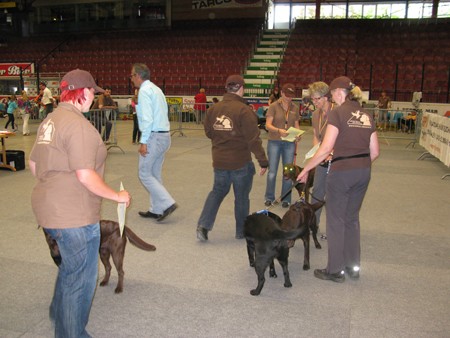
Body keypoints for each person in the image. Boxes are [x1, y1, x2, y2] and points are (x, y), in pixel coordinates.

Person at [29, 69, 131, 337]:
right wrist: (117, 196)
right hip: (74, 217)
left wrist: (56, 184)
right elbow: (86, 175)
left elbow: (33, 164)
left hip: (47, 209)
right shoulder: (80, 126)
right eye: (92, 93)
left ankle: (57, 312)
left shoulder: (50, 121)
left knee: (69, 270)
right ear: (83, 93)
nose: (93, 98)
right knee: (81, 282)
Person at [297, 76, 379, 283]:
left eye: (332, 93)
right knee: (352, 219)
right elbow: (375, 152)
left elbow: (325, 148)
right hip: (363, 171)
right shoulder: (366, 114)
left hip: (342, 172)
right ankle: (353, 267)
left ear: (339, 92)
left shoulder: (337, 113)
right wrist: (358, 164)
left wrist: (306, 168)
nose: (331, 96)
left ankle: (335, 270)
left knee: (335, 221)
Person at [196, 75, 268, 241]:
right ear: (241, 89)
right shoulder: (244, 110)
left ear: (227, 88)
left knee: (217, 192)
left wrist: (223, 138)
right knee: (241, 197)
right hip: (240, 162)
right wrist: (263, 161)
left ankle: (203, 226)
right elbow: (253, 140)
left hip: (219, 161)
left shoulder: (213, 109)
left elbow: (208, 132)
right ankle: (241, 231)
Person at [131, 63, 177, 222]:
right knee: (154, 173)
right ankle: (157, 209)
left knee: (144, 173)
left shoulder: (144, 91)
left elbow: (147, 119)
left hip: (153, 137)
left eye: (132, 76)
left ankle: (167, 203)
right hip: (164, 136)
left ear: (138, 76)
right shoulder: (157, 89)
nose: (132, 79)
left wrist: (143, 141)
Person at [264, 83, 301, 208]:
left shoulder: (295, 108)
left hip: (289, 143)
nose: (289, 98)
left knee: (289, 172)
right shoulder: (273, 106)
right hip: (274, 141)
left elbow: (296, 125)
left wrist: (298, 135)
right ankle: (269, 197)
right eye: (287, 95)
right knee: (272, 172)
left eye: (291, 96)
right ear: (282, 93)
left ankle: (286, 198)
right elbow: (267, 125)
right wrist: (279, 130)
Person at [308, 81, 334, 239]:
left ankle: (333, 229)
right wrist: (317, 152)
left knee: (334, 196)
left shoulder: (337, 113)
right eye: (312, 99)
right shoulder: (315, 114)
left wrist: (330, 153)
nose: (314, 102)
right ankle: (313, 225)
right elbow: (316, 136)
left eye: (317, 99)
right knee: (317, 193)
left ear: (326, 97)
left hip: (337, 161)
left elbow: (343, 138)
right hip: (322, 161)